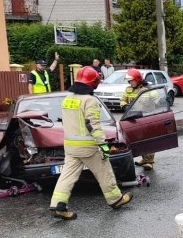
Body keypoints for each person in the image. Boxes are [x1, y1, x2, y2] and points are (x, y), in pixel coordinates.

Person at [49, 66, 133, 220]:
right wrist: (103, 145)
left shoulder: (67, 100)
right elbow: (92, 124)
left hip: (70, 146)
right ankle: (116, 199)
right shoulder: (90, 100)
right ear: (93, 82)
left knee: (67, 176)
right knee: (104, 170)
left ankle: (58, 205)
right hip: (88, 146)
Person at [120, 68, 163, 171]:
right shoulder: (128, 89)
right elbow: (122, 100)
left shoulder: (148, 89)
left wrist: (163, 102)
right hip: (133, 118)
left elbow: (158, 102)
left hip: (146, 118)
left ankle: (149, 162)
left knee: (148, 141)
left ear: (138, 79)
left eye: (132, 81)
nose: (130, 83)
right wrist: (124, 106)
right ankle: (144, 159)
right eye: (129, 81)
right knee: (138, 140)